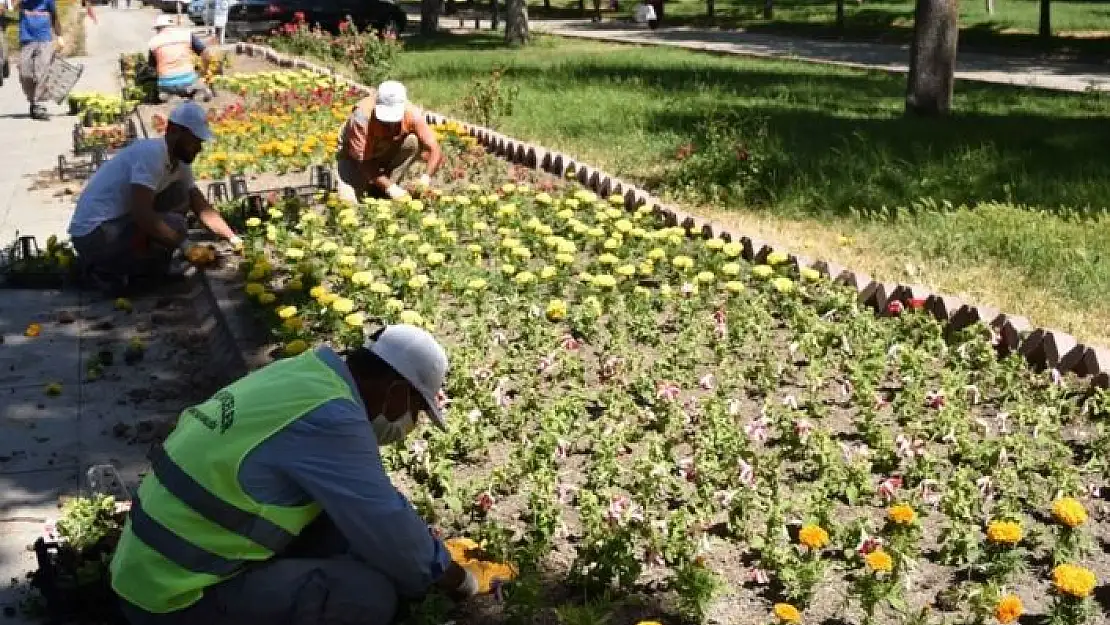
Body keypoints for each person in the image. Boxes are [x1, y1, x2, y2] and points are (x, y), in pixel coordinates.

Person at [109, 324, 513, 625]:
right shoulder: (332, 419)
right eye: (415, 410)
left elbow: (366, 516)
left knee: (348, 534)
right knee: (366, 597)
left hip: (148, 570)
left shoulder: (304, 376)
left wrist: (420, 553)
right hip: (175, 600)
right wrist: (460, 582)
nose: (410, 424)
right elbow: (382, 519)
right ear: (394, 391)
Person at [67, 101, 242, 295]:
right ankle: (111, 273)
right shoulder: (152, 154)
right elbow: (142, 214)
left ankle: (138, 268)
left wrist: (232, 238)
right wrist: (184, 244)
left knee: (180, 195)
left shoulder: (179, 162)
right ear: (175, 132)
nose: (198, 148)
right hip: (94, 235)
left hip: (113, 225)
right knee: (174, 225)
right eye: (195, 141)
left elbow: (201, 207)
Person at [336, 80, 443, 204]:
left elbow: (435, 149)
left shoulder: (412, 113)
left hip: (384, 149)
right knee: (349, 202)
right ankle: (382, 186)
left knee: (412, 142)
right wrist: (391, 189)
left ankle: (383, 188)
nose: (390, 125)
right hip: (353, 158)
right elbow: (363, 162)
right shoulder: (362, 117)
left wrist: (425, 180)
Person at [9, 0, 63, 119]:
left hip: (45, 40)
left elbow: (55, 16)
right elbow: (12, 7)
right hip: (27, 40)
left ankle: (39, 103)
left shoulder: (48, 1)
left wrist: (59, 37)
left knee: (42, 72)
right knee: (24, 73)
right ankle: (33, 100)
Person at [148, 14, 211, 100]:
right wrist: (204, 71)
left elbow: (152, 67)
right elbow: (206, 54)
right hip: (188, 81)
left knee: (166, 89)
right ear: (172, 26)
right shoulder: (186, 35)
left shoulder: (153, 42)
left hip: (166, 85)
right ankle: (195, 93)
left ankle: (169, 95)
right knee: (203, 90)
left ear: (158, 28)